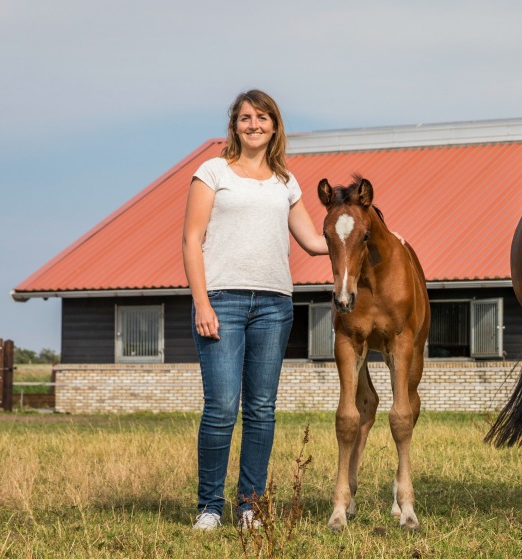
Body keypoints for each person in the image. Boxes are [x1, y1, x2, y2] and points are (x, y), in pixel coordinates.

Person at [182, 90, 328, 531]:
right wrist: (202, 303)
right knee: (223, 407)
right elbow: (191, 240)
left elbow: (314, 241)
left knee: (262, 409)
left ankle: (250, 506)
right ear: (235, 125)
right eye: (246, 118)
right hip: (222, 302)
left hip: (274, 305)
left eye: (262, 117)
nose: (254, 125)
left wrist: (362, 234)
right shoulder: (212, 172)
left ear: (274, 125)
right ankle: (210, 506)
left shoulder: (286, 182)